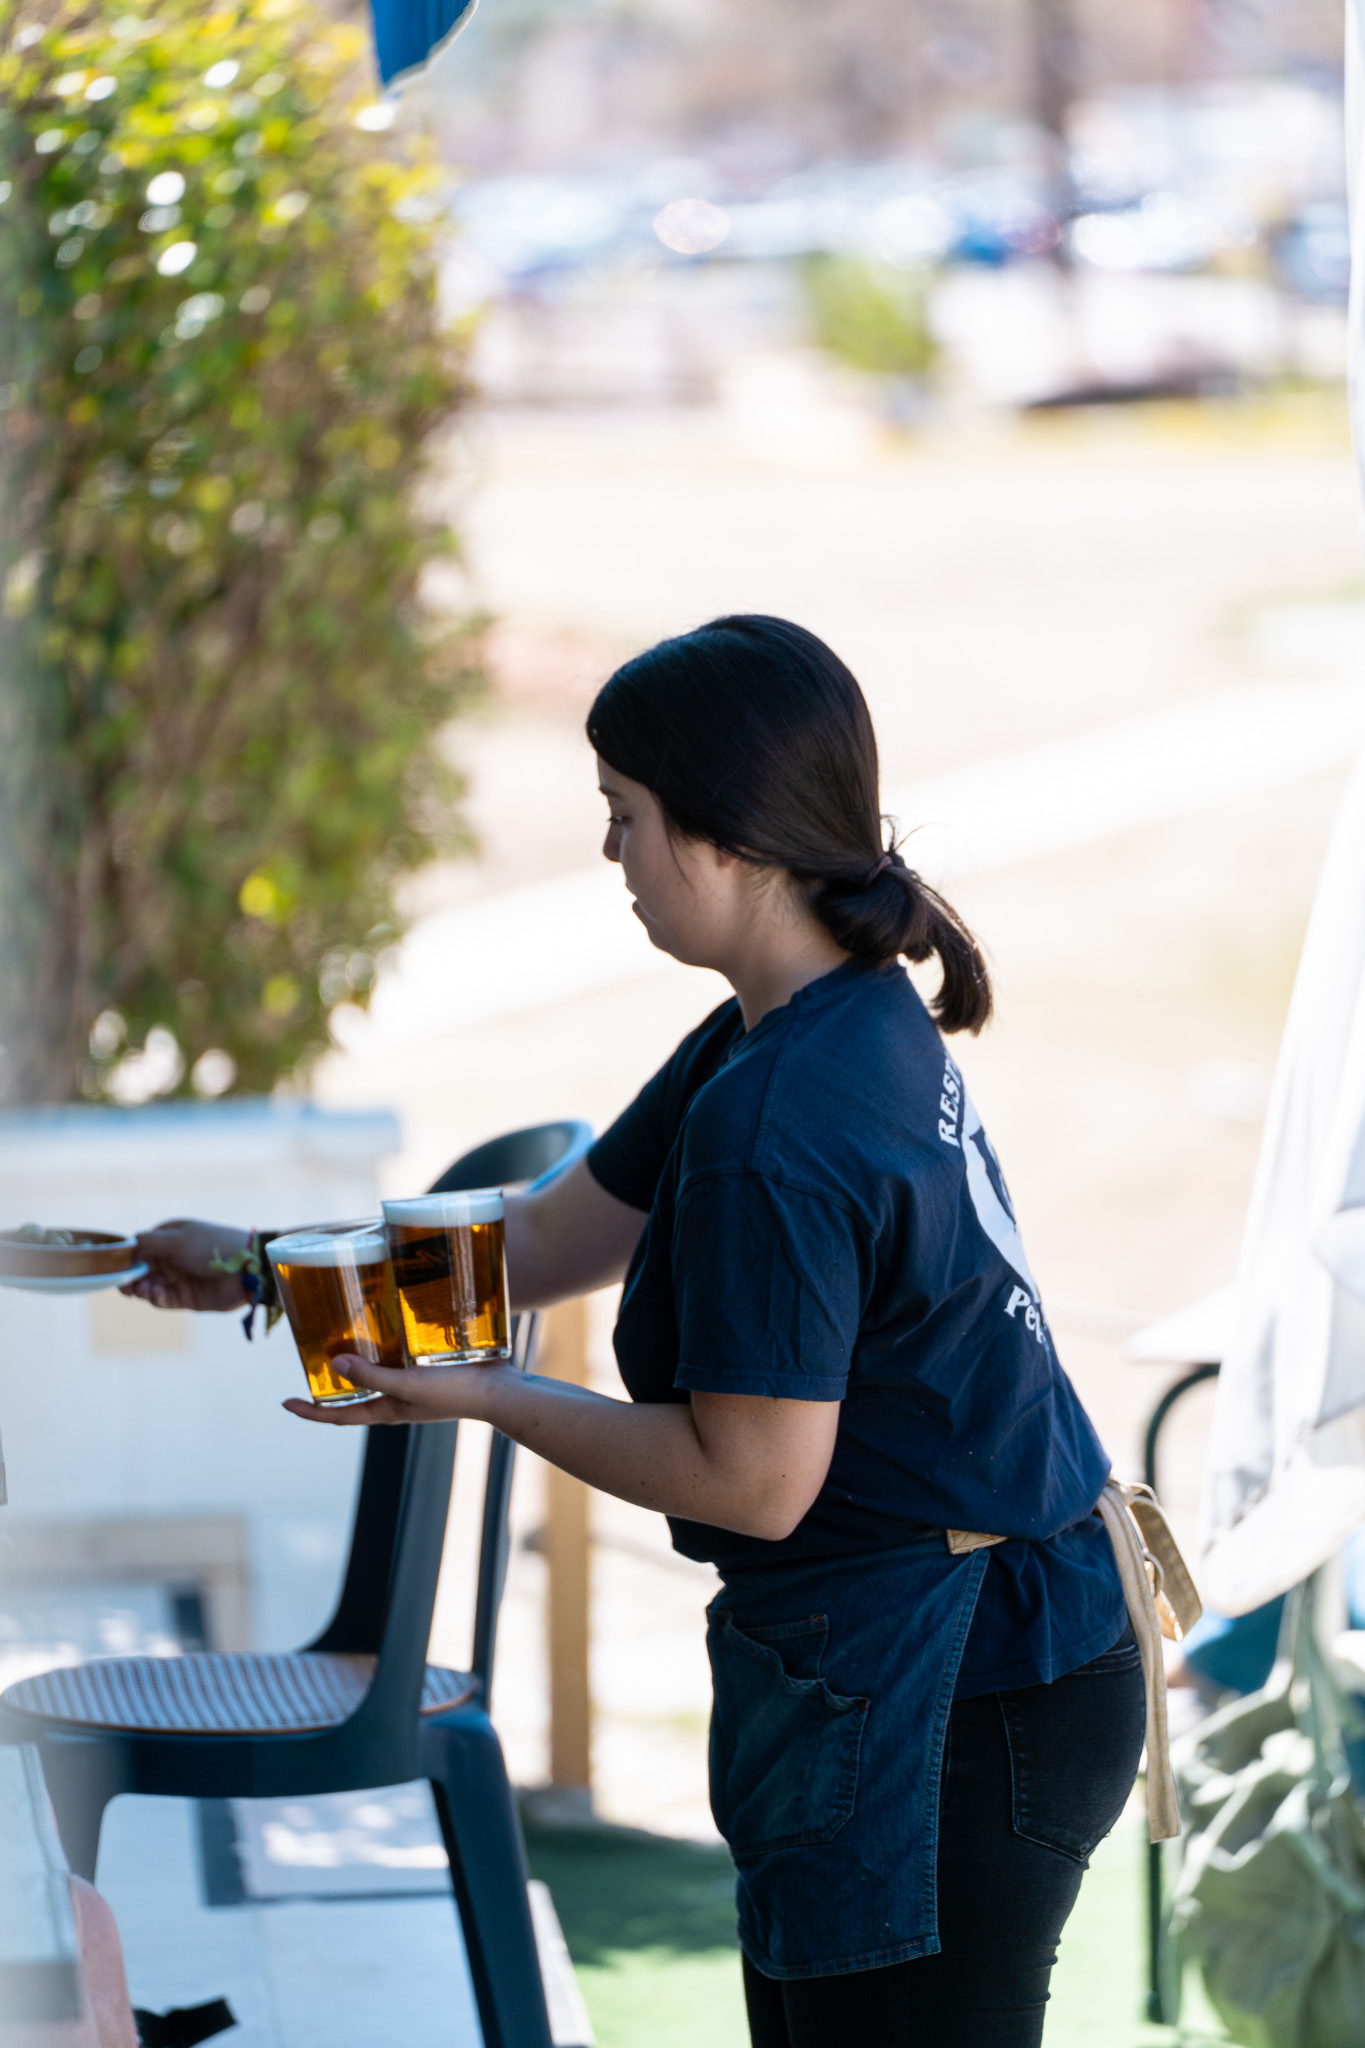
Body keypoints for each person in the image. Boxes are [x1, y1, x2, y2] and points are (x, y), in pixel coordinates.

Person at [129, 616, 1145, 2048]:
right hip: (968, 1640)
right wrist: (261, 1268)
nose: (610, 852)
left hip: (959, 1686)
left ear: (725, 837)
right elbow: (550, 1236)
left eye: (625, 815)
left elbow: (755, 1480)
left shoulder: (776, 1118)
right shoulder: (803, 1021)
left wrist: (484, 1396)